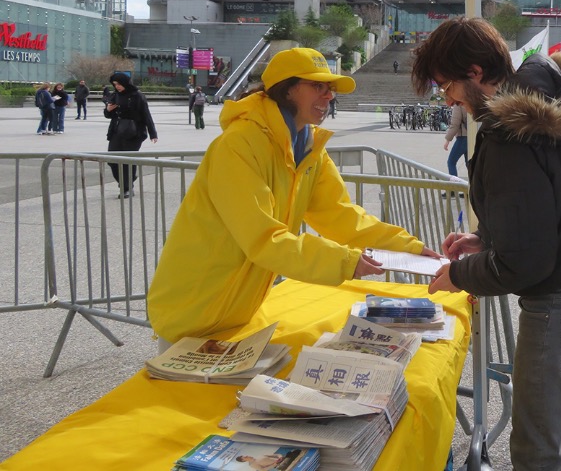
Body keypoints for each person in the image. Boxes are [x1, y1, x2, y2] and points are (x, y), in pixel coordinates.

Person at [410, 18, 561, 471]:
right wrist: (484, 237)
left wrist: (458, 274)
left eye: (448, 85)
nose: (448, 99)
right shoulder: (554, 104)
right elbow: (554, 206)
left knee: (536, 446)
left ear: (476, 72)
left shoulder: (511, 136)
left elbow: (527, 261)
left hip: (558, 307)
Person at [147, 48, 439, 348]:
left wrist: (409, 247)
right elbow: (263, 239)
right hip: (191, 313)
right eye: (318, 86)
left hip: (238, 313)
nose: (329, 96)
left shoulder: (309, 147)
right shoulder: (237, 145)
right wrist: (345, 261)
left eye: (331, 89)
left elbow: (341, 216)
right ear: (286, 90)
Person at [103, 73, 158, 198]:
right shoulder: (115, 95)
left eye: (119, 84)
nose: (117, 87)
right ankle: (129, 179)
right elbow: (108, 114)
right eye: (115, 84)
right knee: (112, 160)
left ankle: (126, 188)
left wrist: (152, 133)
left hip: (134, 132)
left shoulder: (137, 96)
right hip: (117, 130)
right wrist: (108, 110)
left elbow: (146, 115)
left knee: (128, 160)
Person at [443, 103, 468, 178]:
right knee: (470, 164)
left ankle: (454, 187)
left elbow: (455, 124)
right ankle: (474, 187)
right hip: (473, 137)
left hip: (462, 137)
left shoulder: (458, 104)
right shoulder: (471, 100)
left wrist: (448, 140)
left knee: (451, 162)